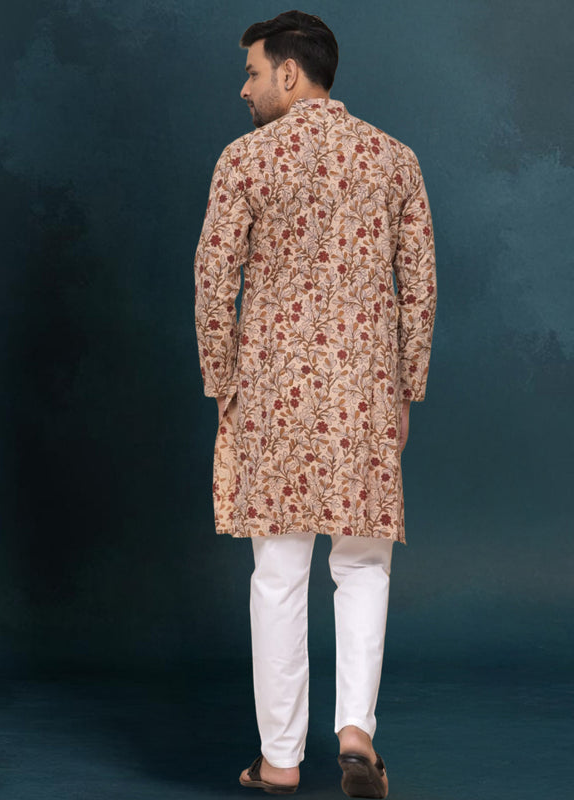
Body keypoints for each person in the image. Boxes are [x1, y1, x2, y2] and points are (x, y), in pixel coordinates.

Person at [193, 10, 437, 797]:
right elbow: (419, 287)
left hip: (273, 395)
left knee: (278, 573)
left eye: (253, 72)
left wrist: (222, 382)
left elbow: (212, 281)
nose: (245, 88)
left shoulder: (245, 160)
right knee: (363, 564)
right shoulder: (394, 159)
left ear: (290, 73)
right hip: (365, 395)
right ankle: (356, 733)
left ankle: (280, 760)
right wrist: (406, 388)